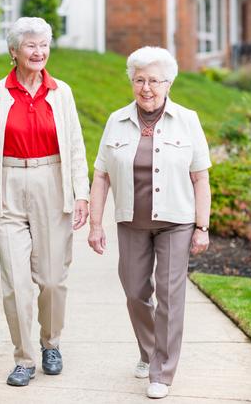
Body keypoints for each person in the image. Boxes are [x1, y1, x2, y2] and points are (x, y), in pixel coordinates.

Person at [0, 17, 90, 387]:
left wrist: (80, 193)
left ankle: (50, 344)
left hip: (51, 181)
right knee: (16, 282)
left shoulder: (62, 92)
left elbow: (75, 147)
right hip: (7, 185)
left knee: (52, 279)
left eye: (44, 45)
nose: (39, 52)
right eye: (31, 46)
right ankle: (23, 358)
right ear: (14, 52)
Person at [87, 46, 212, 399]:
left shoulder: (187, 119)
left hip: (176, 223)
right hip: (131, 222)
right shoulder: (117, 120)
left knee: (171, 297)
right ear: (131, 82)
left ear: (168, 83)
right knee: (135, 293)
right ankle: (148, 350)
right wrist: (96, 225)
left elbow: (200, 178)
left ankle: (162, 372)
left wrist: (202, 226)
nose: (146, 88)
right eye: (139, 80)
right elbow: (101, 176)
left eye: (154, 80)